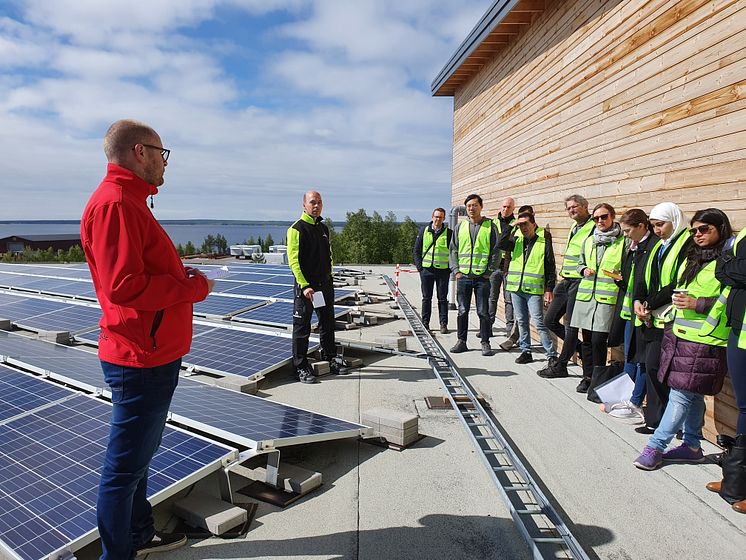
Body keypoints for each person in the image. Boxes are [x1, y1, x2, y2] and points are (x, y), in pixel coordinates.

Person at [81, 119, 214, 560]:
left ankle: (139, 534)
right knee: (123, 469)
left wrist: (179, 275)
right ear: (140, 152)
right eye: (162, 153)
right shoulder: (116, 204)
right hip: (140, 356)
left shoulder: (131, 202)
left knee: (140, 456)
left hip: (151, 351)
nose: (164, 163)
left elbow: (143, 273)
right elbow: (125, 287)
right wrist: (191, 289)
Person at [633, 208, 732, 470]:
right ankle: (692, 445)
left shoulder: (727, 262)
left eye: (704, 229)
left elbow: (731, 300)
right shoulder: (695, 258)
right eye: (694, 230)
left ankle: (655, 447)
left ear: (720, 229)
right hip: (680, 336)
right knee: (693, 395)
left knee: (680, 395)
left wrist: (697, 303)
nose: (697, 235)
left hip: (706, 340)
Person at [632, 202, 692, 434]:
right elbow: (643, 277)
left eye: (661, 225)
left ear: (674, 221)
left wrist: (648, 303)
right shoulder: (660, 246)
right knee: (652, 367)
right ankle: (655, 419)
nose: (657, 230)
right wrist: (638, 301)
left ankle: (669, 422)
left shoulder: (685, 245)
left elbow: (677, 283)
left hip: (670, 317)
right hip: (652, 316)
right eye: (654, 225)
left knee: (663, 369)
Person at [702, 226, 746, 512]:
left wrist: (729, 263)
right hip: (738, 328)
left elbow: (735, 270)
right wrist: (730, 263)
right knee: (744, 408)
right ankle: (736, 481)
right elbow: (725, 268)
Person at [606, 209, 658, 422]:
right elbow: (633, 280)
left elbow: (649, 281)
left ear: (641, 226)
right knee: (631, 357)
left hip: (645, 313)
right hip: (630, 311)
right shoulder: (634, 247)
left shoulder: (651, 247)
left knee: (642, 361)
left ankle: (635, 402)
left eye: (628, 231)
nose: (625, 235)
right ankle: (625, 398)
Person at [538, 195, 595, 379]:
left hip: (580, 281)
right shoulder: (574, 226)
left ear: (585, 206)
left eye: (575, 206)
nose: (572, 210)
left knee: (571, 325)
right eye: (569, 208)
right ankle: (578, 348)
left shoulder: (593, 226)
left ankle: (561, 365)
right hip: (566, 280)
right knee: (550, 320)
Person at [570, 203, 625, 394]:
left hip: (605, 298)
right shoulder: (588, 240)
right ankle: (587, 377)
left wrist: (618, 276)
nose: (600, 221)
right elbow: (580, 264)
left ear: (612, 217)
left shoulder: (622, 242)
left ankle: (598, 380)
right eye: (596, 218)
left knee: (598, 340)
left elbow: (627, 270)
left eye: (604, 217)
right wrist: (583, 269)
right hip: (586, 297)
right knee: (586, 340)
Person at [287, 190, 339, 384]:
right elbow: (294, 261)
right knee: (302, 327)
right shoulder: (297, 229)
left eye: (319, 202)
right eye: (312, 202)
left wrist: (329, 277)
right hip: (307, 289)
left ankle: (329, 357)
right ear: (304, 205)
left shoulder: (324, 228)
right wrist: (304, 285)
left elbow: (329, 256)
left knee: (327, 323)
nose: (316, 206)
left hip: (324, 285)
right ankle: (300, 366)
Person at [500, 211, 557, 364]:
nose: (523, 227)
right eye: (520, 224)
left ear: (533, 224)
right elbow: (500, 244)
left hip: (533, 290)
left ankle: (551, 355)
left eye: (526, 224)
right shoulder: (516, 241)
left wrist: (549, 289)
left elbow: (550, 267)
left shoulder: (543, 242)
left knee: (539, 323)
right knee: (522, 321)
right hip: (516, 288)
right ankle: (526, 351)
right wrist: (511, 226)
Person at [449, 194, 501, 356]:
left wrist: (489, 272)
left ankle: (485, 342)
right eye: (469, 206)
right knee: (462, 310)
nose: (471, 208)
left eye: (474, 205)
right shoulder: (460, 227)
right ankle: (461, 341)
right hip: (463, 276)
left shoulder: (490, 226)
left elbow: (496, 250)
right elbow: (453, 250)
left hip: (482, 278)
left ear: (481, 207)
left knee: (483, 311)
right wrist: (456, 270)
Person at [413, 207, 453, 333]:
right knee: (426, 298)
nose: (438, 219)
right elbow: (416, 250)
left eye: (440, 217)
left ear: (444, 218)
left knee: (442, 299)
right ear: (432, 217)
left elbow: (453, 253)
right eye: (436, 216)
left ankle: (443, 324)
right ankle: (425, 322)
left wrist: (450, 269)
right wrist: (420, 268)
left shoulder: (449, 233)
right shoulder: (424, 231)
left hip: (442, 271)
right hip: (427, 271)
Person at [488, 197, 515, 336]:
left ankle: (510, 329)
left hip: (509, 266)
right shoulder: (493, 223)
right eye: (504, 206)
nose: (506, 209)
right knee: (492, 297)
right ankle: (488, 326)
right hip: (495, 265)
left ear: (513, 209)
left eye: (509, 207)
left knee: (509, 299)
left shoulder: (516, 224)